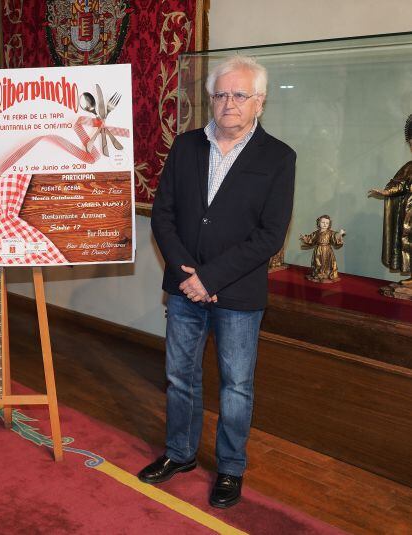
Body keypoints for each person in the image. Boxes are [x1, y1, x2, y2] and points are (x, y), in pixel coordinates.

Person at [139, 55, 296, 508]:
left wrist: (208, 278)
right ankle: (180, 454)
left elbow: (270, 234)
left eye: (239, 95)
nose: (229, 103)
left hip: (239, 294)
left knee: (237, 385)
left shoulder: (279, 158)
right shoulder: (186, 146)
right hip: (185, 289)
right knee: (179, 377)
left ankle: (230, 469)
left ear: (259, 103)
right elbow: (163, 215)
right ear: (211, 99)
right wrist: (189, 274)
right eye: (221, 94)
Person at [368, 114, 412, 284]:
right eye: (410, 144)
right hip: (408, 212)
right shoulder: (409, 167)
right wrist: (385, 192)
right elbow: (399, 185)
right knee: (407, 243)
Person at [299, 215, 345, 283]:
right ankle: (318, 274)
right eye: (323, 222)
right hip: (318, 250)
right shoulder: (316, 233)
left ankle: (327, 274)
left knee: (328, 263)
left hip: (327, 250)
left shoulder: (330, 232)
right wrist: (304, 238)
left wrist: (340, 234)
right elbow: (310, 239)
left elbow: (335, 237)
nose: (325, 224)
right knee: (318, 263)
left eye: (327, 223)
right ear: (318, 223)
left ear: (329, 224)